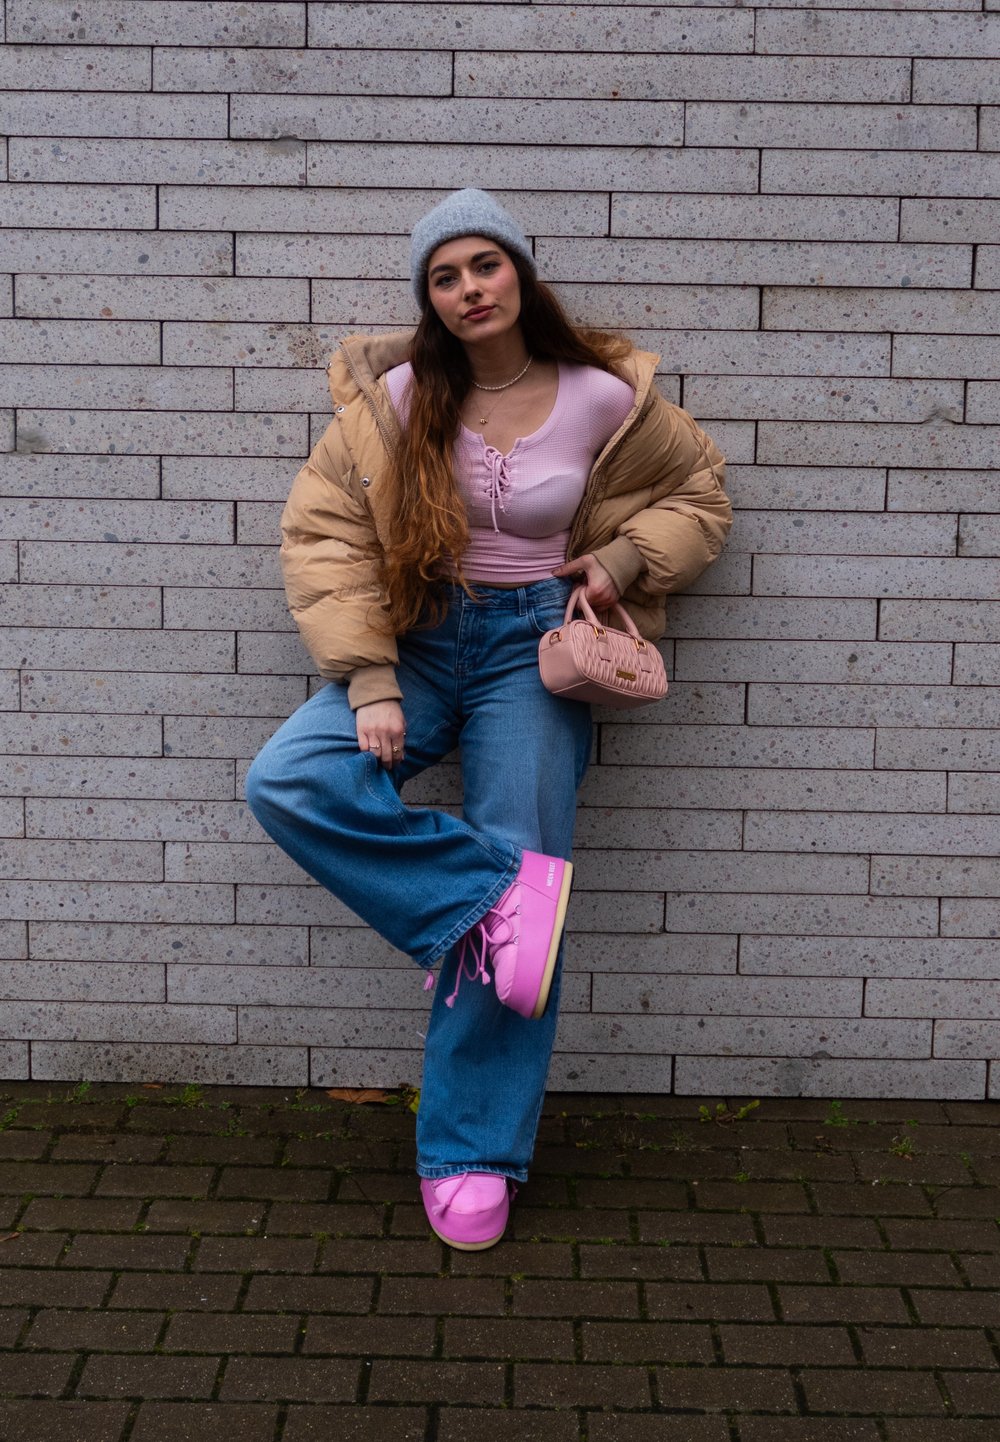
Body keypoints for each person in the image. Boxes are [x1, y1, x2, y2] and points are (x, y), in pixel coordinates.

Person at [246, 188, 731, 1251]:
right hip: (418, 634)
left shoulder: (605, 396)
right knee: (290, 778)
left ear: (519, 271)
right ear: (428, 299)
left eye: (483, 265)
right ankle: (495, 898)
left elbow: (697, 496)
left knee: (524, 863)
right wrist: (368, 678)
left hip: (534, 649)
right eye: (444, 276)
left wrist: (621, 556)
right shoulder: (398, 401)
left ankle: (469, 1148)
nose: (468, 289)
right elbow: (323, 536)